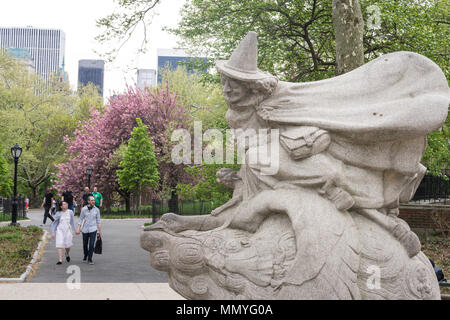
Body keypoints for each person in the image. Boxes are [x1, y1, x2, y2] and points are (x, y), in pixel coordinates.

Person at [76, 195, 101, 265]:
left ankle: (90, 259)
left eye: (94, 200)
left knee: (91, 244)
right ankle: (85, 255)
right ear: (88, 201)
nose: (93, 201)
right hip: (85, 229)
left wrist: (99, 231)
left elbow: (98, 221)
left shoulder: (97, 210)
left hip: (93, 229)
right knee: (85, 244)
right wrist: (78, 228)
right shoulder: (84, 209)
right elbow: (80, 219)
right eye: (92, 200)